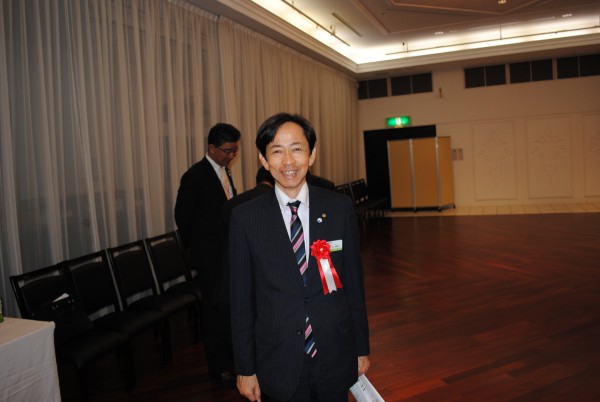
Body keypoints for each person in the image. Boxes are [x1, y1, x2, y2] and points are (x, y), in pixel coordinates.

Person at [229, 113, 370, 402]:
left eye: (296, 149)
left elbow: (354, 285)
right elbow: (241, 301)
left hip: (335, 351)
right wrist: (245, 368)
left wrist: (360, 348)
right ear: (264, 160)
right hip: (277, 359)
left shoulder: (339, 208)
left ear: (312, 154)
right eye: (276, 152)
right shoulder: (245, 218)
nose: (288, 161)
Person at [174, 122, 241, 388]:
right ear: (212, 148)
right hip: (209, 256)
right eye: (227, 151)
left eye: (235, 150)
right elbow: (182, 217)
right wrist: (199, 249)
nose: (231, 155)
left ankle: (231, 356)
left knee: (228, 308)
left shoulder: (224, 171)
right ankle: (218, 368)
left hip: (226, 252)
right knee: (213, 312)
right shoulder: (195, 175)